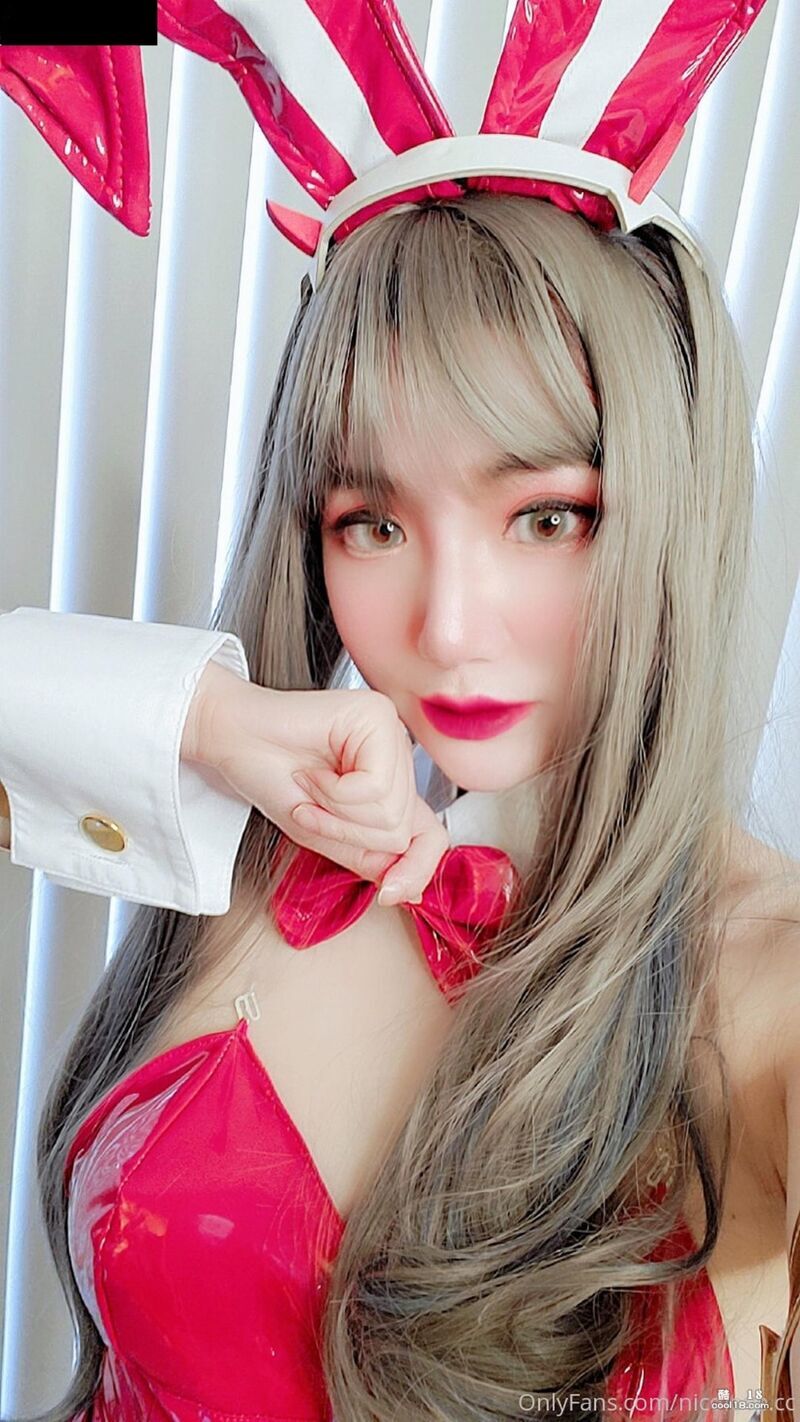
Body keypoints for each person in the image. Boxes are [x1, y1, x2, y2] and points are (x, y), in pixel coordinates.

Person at [3, 7, 800, 1422]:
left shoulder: (763, 982)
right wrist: (206, 723)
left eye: (547, 515)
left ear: (668, 511)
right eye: (372, 521)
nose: (447, 626)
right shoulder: (265, 843)